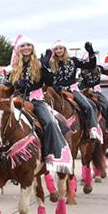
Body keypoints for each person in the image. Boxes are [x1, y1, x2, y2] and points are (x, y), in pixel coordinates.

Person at [7, 37, 74, 174]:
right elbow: (9, 84)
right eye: (23, 45)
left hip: (36, 100)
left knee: (49, 122)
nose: (26, 48)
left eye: (28, 45)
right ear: (19, 49)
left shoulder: (38, 64)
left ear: (32, 47)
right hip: (17, 100)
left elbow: (49, 82)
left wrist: (45, 68)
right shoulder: (14, 66)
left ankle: (51, 154)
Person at [45, 41, 103, 142]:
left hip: (72, 90)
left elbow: (91, 65)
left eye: (60, 48)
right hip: (55, 91)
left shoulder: (73, 61)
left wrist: (91, 53)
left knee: (88, 106)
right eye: (56, 49)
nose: (58, 51)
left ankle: (91, 130)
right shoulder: (50, 64)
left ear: (64, 49)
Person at [79, 54, 108, 138]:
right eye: (86, 60)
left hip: (95, 91)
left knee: (107, 106)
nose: (88, 62)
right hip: (83, 91)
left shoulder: (99, 68)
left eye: (89, 60)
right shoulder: (81, 70)